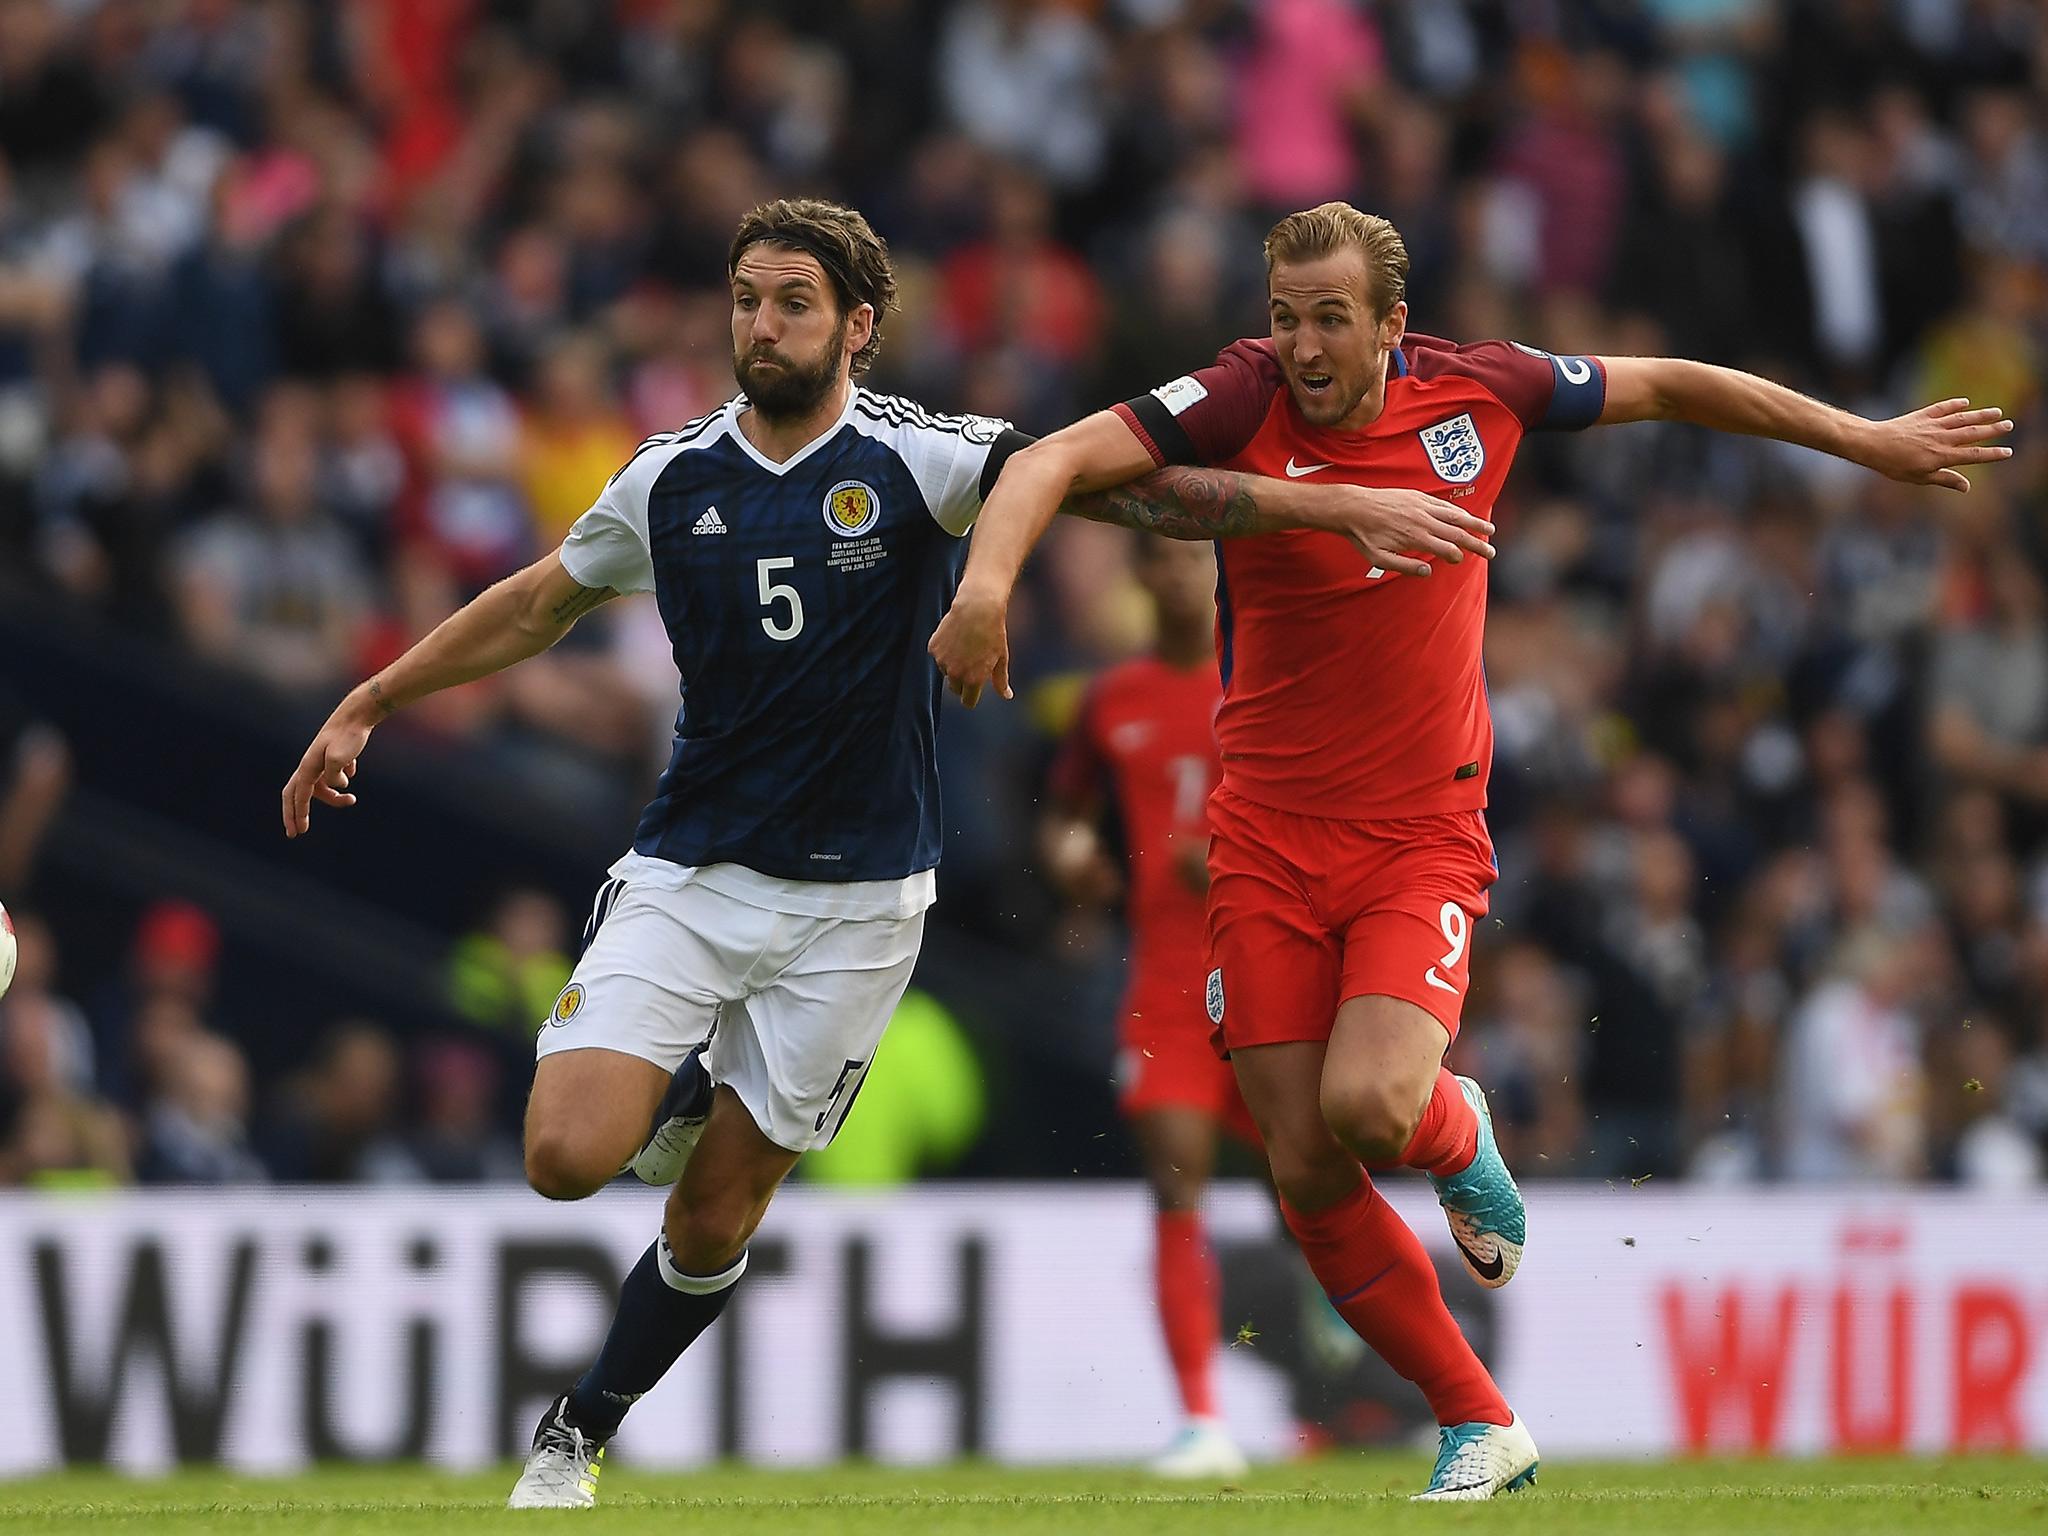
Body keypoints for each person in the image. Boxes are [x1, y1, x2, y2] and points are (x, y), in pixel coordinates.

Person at [280, 197, 1492, 1510]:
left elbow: (1130, 488)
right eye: (747, 298)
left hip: (860, 907)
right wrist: (370, 701)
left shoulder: (922, 455)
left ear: (856, 325)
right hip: (691, 869)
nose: (764, 323)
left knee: (715, 1219)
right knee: (564, 1156)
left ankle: (578, 1428)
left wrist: (1321, 509)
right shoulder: (670, 475)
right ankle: (674, 1105)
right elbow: (534, 603)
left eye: (793, 301)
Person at [929, 200, 2014, 1500]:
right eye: (1286, 317)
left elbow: (1670, 383)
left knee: (1371, 1105)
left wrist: (1867, 439)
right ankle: (1478, 1418)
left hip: (1414, 834)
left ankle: (1459, 1135)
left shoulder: (1479, 388)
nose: (1305, 345)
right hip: (1264, 838)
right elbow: (1049, 461)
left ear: (1393, 322)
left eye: (1332, 318)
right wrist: (988, 590)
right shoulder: (1238, 394)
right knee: (1300, 1162)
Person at [1041, 534, 1261, 1477]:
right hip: (1166, 985)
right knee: (1179, 1180)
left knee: (1314, 1186)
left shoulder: (1266, 678)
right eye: (1163, 562)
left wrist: (1234, 860)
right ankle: (1202, 1420)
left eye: (1194, 559)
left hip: (1271, 980)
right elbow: (1064, 809)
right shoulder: (1111, 698)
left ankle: (1364, 1365)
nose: (1180, 576)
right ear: (1140, 575)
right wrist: (1067, 853)